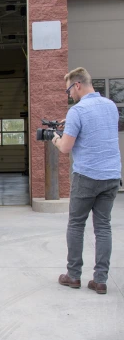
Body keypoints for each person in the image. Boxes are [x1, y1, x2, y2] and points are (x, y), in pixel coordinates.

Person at [54, 67, 121, 295]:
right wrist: (71, 122)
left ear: (77, 85)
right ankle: (100, 280)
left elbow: (65, 148)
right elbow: (98, 131)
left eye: (68, 91)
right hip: (111, 175)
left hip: (87, 176)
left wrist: (56, 138)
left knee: (76, 224)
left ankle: (73, 276)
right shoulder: (111, 106)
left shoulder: (78, 111)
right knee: (103, 227)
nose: (69, 95)